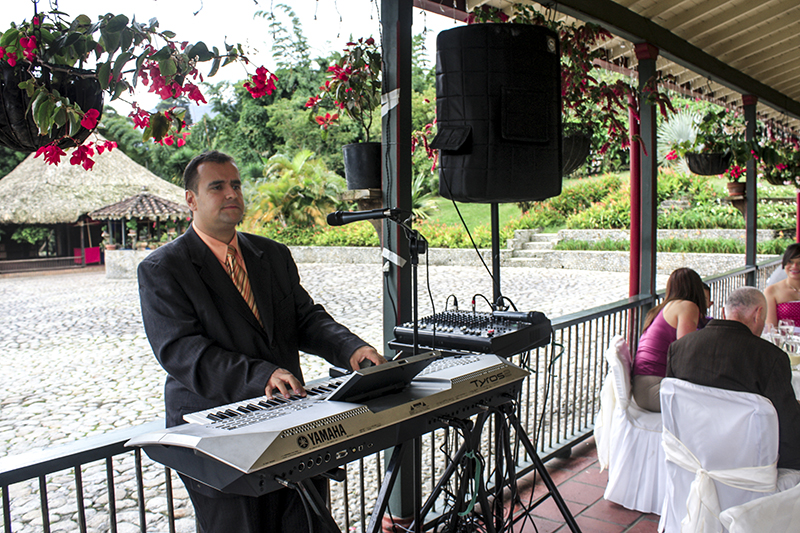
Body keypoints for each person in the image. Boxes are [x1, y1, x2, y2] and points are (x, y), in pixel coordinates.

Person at [138, 150, 386, 533]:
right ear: (191, 199)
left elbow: (305, 318)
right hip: (217, 437)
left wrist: (350, 348)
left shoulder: (272, 254)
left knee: (306, 524)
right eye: (217, 187)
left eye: (236, 185)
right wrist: (261, 376)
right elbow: (183, 351)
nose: (231, 194)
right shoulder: (163, 268)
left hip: (290, 425)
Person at [666, 287, 800, 469]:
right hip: (752, 465)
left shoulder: (679, 348)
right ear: (758, 313)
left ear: (723, 312)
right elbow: (789, 431)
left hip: (692, 459)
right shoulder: (770, 357)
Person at [631, 268, 708, 412]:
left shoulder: (662, 308)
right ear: (697, 288)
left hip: (642, 388)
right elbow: (687, 353)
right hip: (655, 389)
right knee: (713, 402)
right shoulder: (687, 306)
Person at [765, 243, 800, 328]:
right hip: (784, 336)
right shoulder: (772, 291)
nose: (795, 266)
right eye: (790, 262)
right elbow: (771, 328)